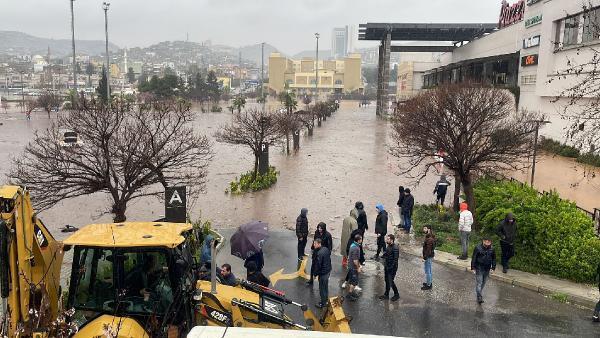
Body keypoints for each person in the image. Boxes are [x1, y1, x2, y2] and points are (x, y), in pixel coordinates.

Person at [471, 237, 496, 304]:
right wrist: (473, 267)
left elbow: (494, 259)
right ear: (483, 241)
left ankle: (479, 293)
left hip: (487, 268)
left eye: (489, 241)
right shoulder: (478, 248)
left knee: (484, 282)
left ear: (490, 242)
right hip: (479, 267)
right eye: (486, 241)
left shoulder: (492, 249)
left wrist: (493, 268)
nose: (487, 242)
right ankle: (479, 296)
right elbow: (474, 257)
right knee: (479, 282)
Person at [311, 238, 332, 308]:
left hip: (323, 273)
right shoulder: (325, 249)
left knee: (322, 289)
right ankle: (326, 300)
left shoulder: (319, 253)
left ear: (319, 244)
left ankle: (323, 304)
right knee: (325, 287)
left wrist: (314, 275)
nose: (314, 245)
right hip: (328, 271)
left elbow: (318, 266)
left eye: (315, 244)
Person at [379, 234, 400, 301]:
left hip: (392, 268)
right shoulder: (388, 246)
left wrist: (391, 267)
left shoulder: (395, 248)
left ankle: (397, 294)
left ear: (391, 240)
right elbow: (387, 254)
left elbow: (395, 260)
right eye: (386, 239)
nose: (386, 240)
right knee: (386, 280)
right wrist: (383, 256)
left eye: (388, 239)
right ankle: (386, 294)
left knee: (391, 281)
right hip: (387, 266)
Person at [345, 234, 363, 301]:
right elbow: (355, 261)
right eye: (361, 239)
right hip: (353, 267)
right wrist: (358, 267)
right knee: (354, 282)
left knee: (351, 281)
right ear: (358, 240)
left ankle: (351, 292)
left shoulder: (352, 245)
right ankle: (349, 294)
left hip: (350, 266)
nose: (361, 240)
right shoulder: (356, 248)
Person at [421, 225, 435, 290]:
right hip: (428, 256)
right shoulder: (429, 236)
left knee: (428, 270)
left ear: (428, 229)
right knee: (428, 270)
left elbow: (428, 250)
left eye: (425, 228)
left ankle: (429, 285)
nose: (423, 229)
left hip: (428, 256)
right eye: (423, 228)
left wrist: (425, 258)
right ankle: (429, 282)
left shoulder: (430, 239)